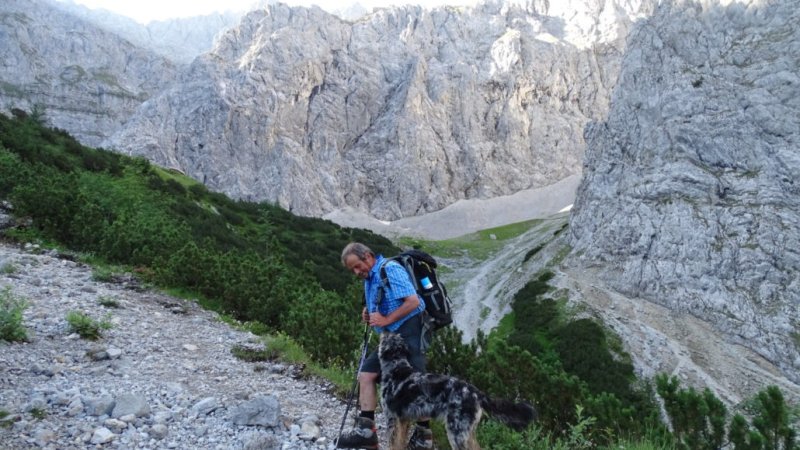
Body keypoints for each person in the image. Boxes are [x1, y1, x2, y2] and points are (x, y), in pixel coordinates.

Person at [337, 242, 433, 450]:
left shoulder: (390, 269)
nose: (356, 272)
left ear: (368, 256)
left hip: (409, 332)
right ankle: (366, 432)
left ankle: (424, 437)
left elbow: (413, 302)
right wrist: (368, 311)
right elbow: (381, 302)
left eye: (357, 266)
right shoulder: (371, 276)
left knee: (415, 382)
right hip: (390, 338)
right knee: (366, 375)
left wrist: (386, 319)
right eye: (352, 269)